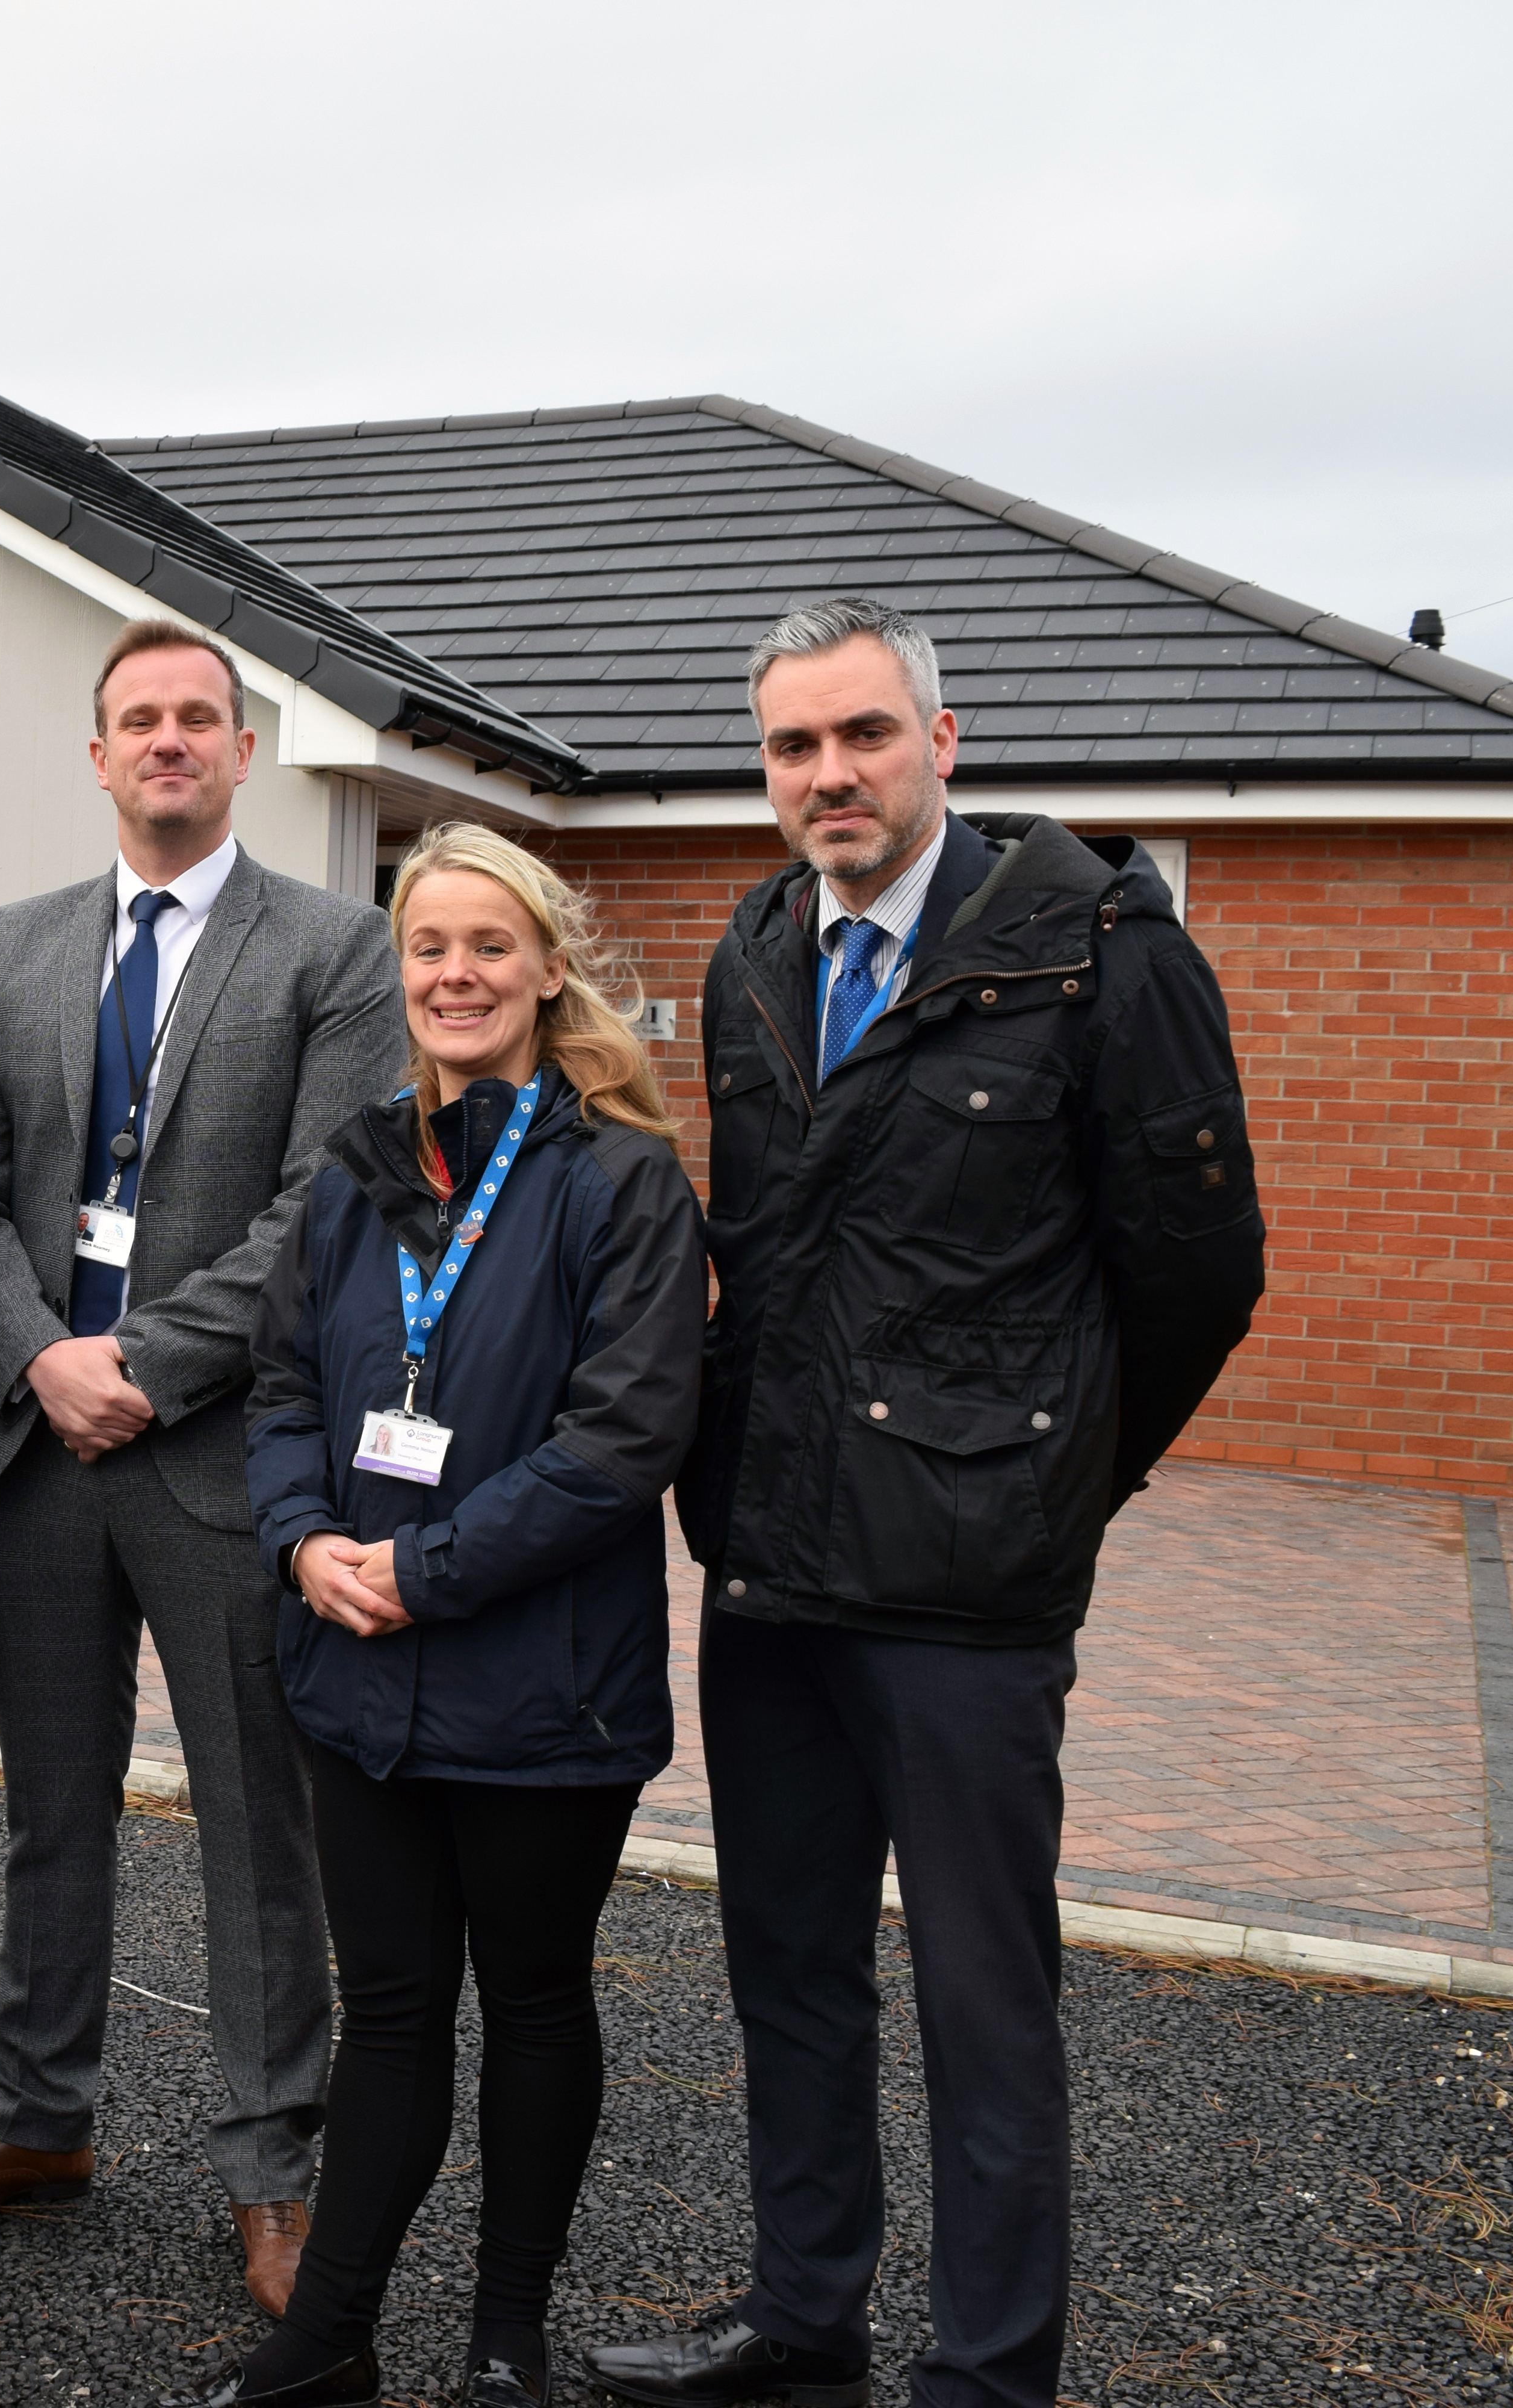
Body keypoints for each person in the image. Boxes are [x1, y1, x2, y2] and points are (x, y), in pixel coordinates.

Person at [583, 599, 1266, 2408]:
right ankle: (807, 2326)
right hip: (772, 1563)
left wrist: (1054, 1476)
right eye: (795, 746)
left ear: (943, 742)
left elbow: (1199, 1274)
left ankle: (988, 2374)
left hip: (969, 1591)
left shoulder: (1100, 951)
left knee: (985, 2006)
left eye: (864, 735)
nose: (832, 775)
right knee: (790, 1972)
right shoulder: (754, 955)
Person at [170, 824, 704, 2408]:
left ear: (549, 969)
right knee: (391, 2013)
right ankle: (329, 2335)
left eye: (489, 946)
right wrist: (300, 1540)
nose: (456, 974)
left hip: (543, 1691)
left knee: (535, 2006)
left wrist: (424, 1570)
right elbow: (280, 1389)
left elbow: (624, 1441)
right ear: (399, 973)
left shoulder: (620, 1179)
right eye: (429, 948)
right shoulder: (356, 1166)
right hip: (356, 1679)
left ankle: (504, 2338)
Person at [0, 619, 397, 2312]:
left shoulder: (337, 949)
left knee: (259, 1825)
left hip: (218, 1455)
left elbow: (327, 1200)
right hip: (35, 1449)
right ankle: (43, 2117)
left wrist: (145, 1363)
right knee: (52, 1808)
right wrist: (42, 1357)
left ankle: (274, 2170)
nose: (170, 741)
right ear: (97, 752)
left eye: (200, 717)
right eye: (140, 719)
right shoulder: (18, 943)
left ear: (244, 748)